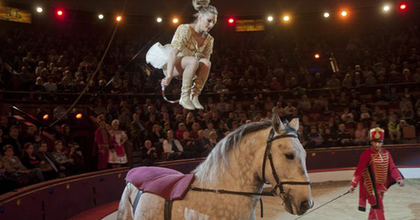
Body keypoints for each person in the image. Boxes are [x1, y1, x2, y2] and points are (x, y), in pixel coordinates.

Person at [146, 0, 218, 110]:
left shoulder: (209, 39)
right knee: (193, 61)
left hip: (190, 68)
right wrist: (169, 76)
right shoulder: (185, 29)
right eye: (209, 21)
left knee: (207, 63)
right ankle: (184, 97)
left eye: (214, 22)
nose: (211, 25)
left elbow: (204, 64)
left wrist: (196, 79)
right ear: (200, 18)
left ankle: (194, 96)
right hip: (173, 65)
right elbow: (173, 54)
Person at [349, 127, 404, 220]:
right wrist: (353, 185)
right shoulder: (366, 154)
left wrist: (398, 178)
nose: (377, 144)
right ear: (371, 142)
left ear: (383, 142)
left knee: (374, 208)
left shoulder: (387, 153)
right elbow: (359, 171)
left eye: (380, 142)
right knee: (379, 208)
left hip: (381, 186)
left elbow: (392, 168)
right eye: (375, 142)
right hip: (370, 187)